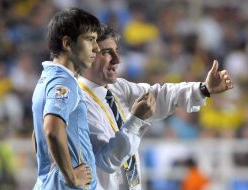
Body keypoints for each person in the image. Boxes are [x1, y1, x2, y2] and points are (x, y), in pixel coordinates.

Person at [78, 25, 234, 190]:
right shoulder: (78, 103)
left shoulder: (117, 88)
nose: (117, 59)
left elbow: (159, 95)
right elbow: (107, 161)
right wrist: (136, 121)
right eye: (106, 52)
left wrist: (203, 88)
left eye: (117, 51)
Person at [31, 8, 101, 190]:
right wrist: (70, 177)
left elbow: (36, 134)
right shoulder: (63, 82)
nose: (97, 48)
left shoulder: (47, 78)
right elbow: (52, 130)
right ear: (68, 43)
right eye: (89, 39)